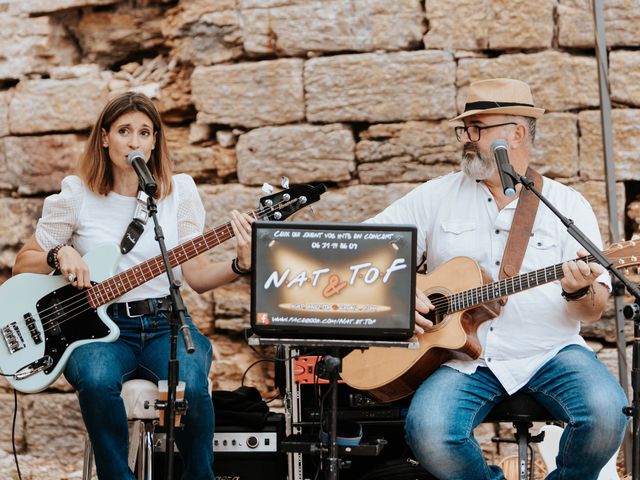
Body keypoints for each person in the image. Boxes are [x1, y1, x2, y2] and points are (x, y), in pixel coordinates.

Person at [367, 78, 628, 479]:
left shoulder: (566, 204)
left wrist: (578, 289)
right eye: (464, 130)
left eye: (478, 130)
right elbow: (363, 250)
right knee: (430, 432)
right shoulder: (435, 197)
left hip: (550, 352)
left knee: (608, 416)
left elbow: (592, 311)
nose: (466, 140)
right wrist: (399, 294)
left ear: (517, 133)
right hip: (462, 360)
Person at [12, 91, 254, 480]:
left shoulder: (180, 193)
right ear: (105, 137)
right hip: (97, 330)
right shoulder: (78, 194)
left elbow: (197, 277)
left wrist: (240, 264)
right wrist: (59, 254)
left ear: (155, 140)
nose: (135, 141)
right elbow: (22, 264)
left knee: (192, 389)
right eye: (124, 131)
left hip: (165, 323)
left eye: (145, 132)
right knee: (96, 379)